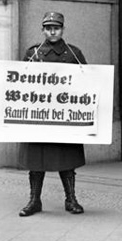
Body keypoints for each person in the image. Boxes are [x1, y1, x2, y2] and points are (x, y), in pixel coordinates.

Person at [19, 12, 87, 217]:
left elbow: (87, 83)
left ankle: (71, 199)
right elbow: (20, 82)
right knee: (36, 161)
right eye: (48, 28)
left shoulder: (73, 53)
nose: (52, 31)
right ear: (43, 30)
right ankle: (34, 200)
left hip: (64, 117)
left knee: (65, 159)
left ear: (62, 29)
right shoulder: (33, 53)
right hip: (39, 117)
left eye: (56, 28)